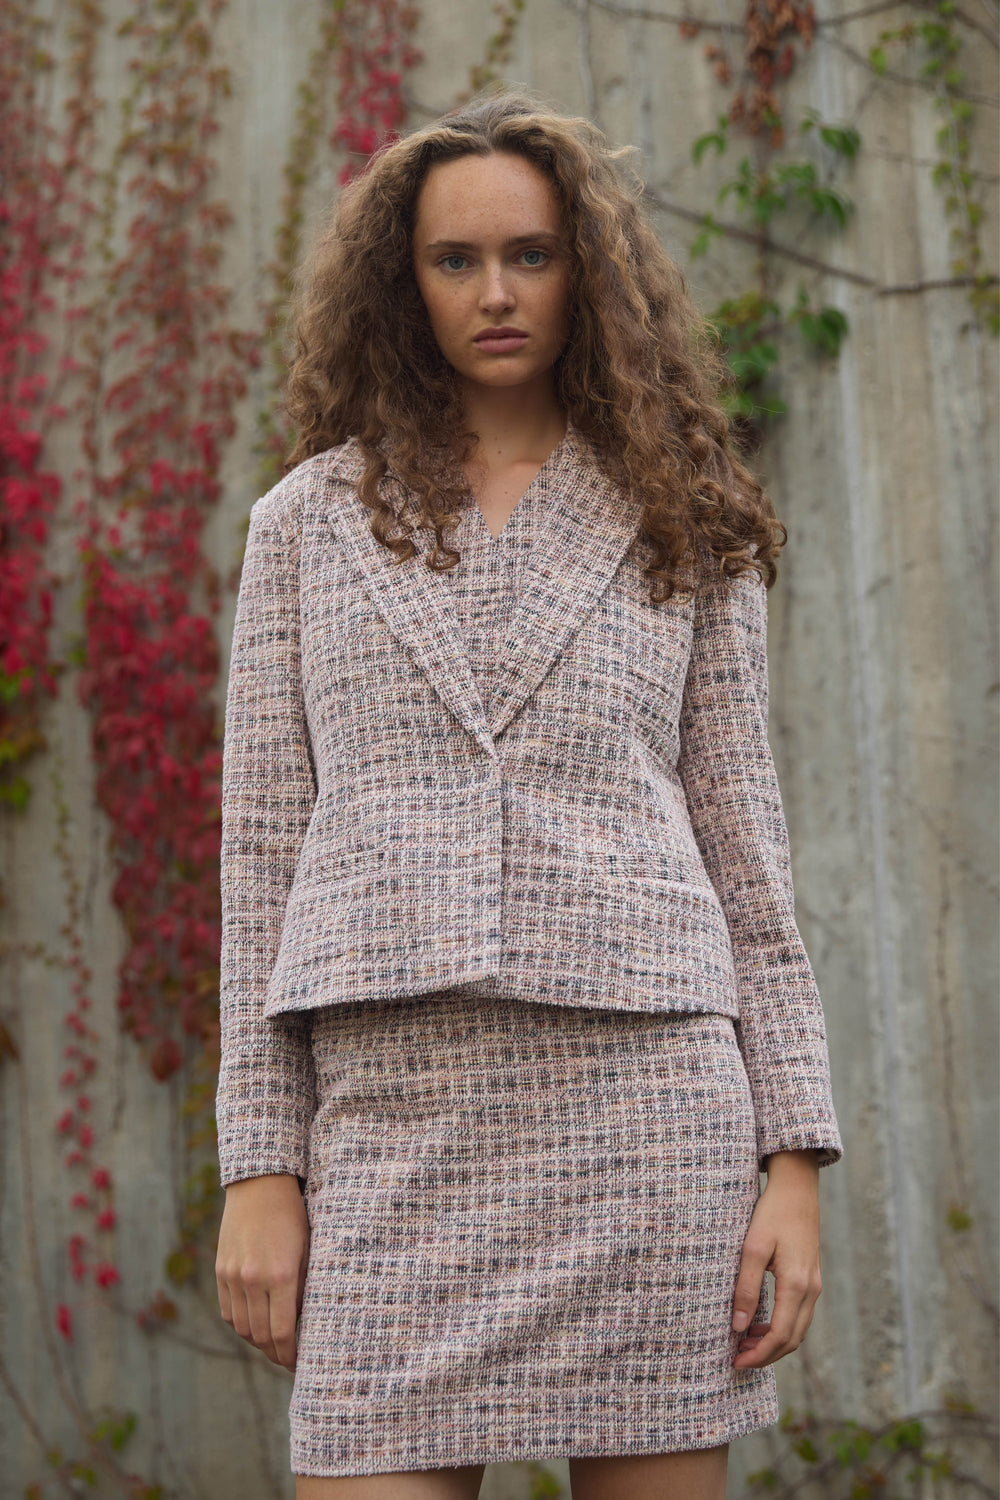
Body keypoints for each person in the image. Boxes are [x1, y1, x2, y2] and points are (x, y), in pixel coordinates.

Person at [214, 87, 843, 1500]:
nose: (495, 293)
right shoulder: (306, 526)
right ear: (405, 284)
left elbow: (747, 854)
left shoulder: (685, 519)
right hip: (392, 1125)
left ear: (586, 272)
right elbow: (258, 864)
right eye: (456, 260)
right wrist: (259, 1165)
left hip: (647, 1117)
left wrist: (793, 1160)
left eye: (532, 255)